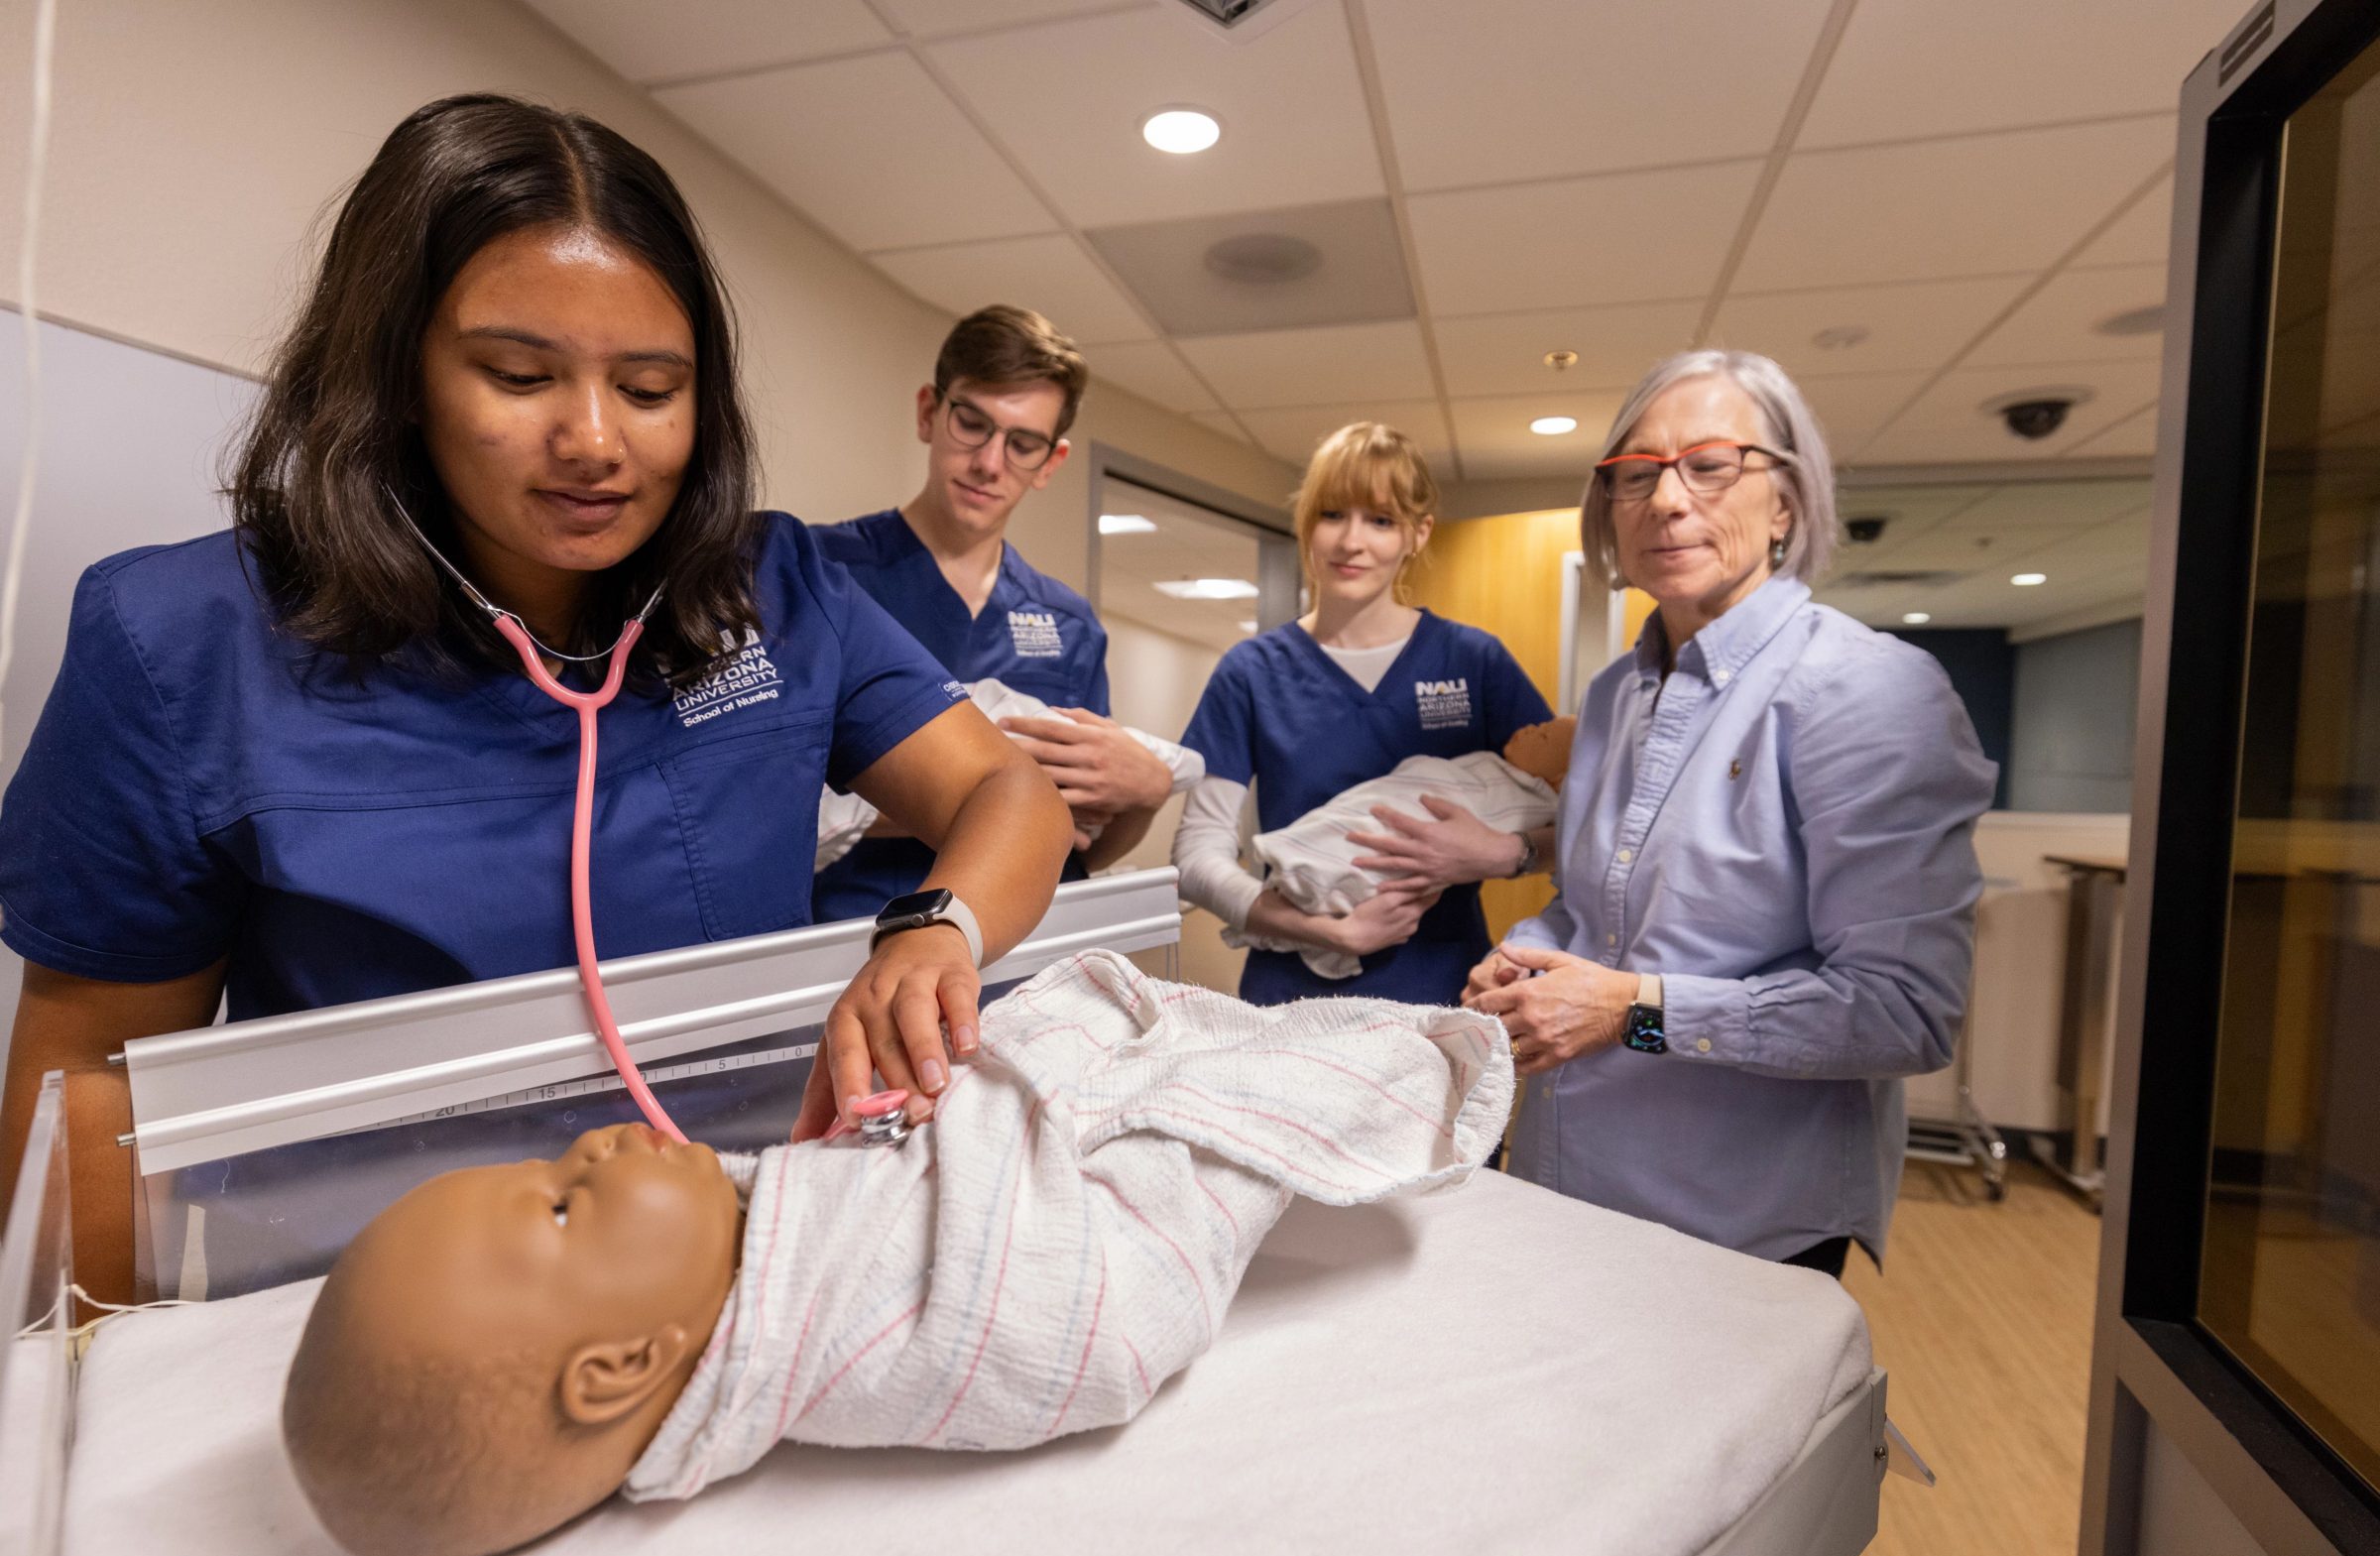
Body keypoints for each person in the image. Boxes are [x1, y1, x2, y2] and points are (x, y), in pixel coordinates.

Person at [0, 95, 1074, 1233]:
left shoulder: (774, 594)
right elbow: (95, 1078)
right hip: (367, 1301)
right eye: (519, 376)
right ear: (397, 375)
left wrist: (933, 928)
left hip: (747, 1240)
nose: (599, 443)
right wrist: (87, 1375)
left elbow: (1009, 791)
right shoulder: (188, 640)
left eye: (653, 390)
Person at [279, 949, 1509, 1556]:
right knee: (1300, 1077)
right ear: (622, 1367)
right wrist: (1000, 1108)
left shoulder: (754, 1244)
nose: (589, 1144)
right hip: (1102, 1200)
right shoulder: (856, 1332)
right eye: (558, 1207)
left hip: (1036, 1121)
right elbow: (1085, 1325)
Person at [1464, 349, 1997, 1279]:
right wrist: (1528, 956)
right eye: (1636, 474)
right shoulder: (1617, 694)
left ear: (1785, 500)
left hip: (1735, 1229)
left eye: (1710, 465)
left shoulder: (1864, 691)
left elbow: (1904, 1010)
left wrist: (1629, 1013)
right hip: (1565, 1183)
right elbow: (1599, 909)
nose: (1668, 500)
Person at [809, 306, 1180, 923]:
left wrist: (1144, 799)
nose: (989, 462)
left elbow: (1080, 843)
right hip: (851, 945)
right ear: (930, 412)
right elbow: (764, 799)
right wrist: (989, 796)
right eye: (973, 424)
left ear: (1050, 463)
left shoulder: (1068, 623)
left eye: (1022, 443)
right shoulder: (815, 573)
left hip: (1019, 960)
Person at [1172, 422, 1554, 1007]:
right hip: (1292, 1001)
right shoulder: (1251, 671)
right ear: (1306, 524)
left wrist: (1502, 854)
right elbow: (1197, 856)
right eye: (1332, 515)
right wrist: (1328, 932)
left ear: (1417, 534)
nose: (1352, 542)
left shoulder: (1474, 661)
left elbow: (1581, 830)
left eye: (1381, 520)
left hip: (1443, 991)